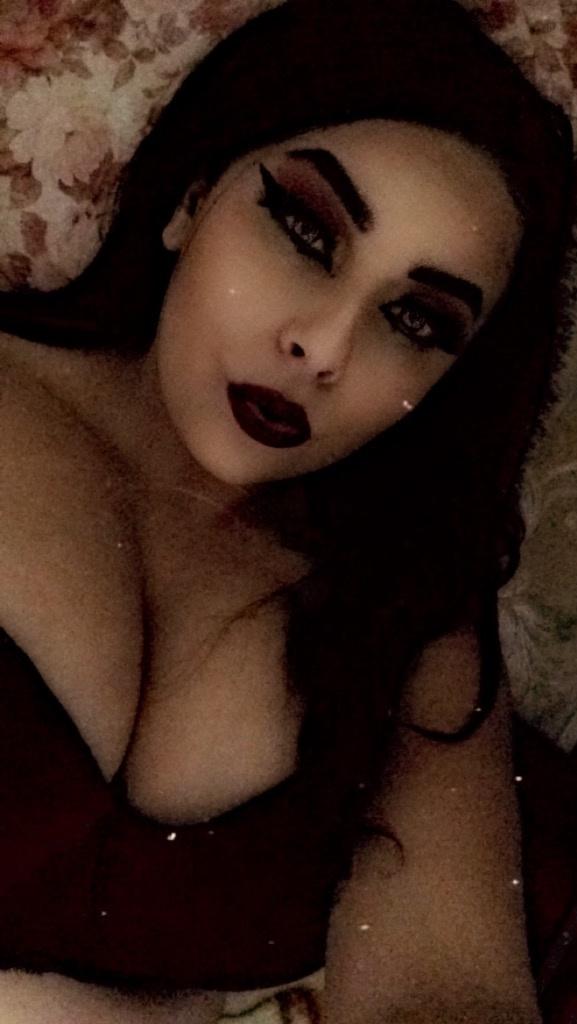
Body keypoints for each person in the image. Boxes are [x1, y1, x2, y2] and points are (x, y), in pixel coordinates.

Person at [0, 0, 574, 1021]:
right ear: (192, 198)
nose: (324, 347)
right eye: (308, 232)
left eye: (416, 320)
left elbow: (448, 990)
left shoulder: (405, 606)